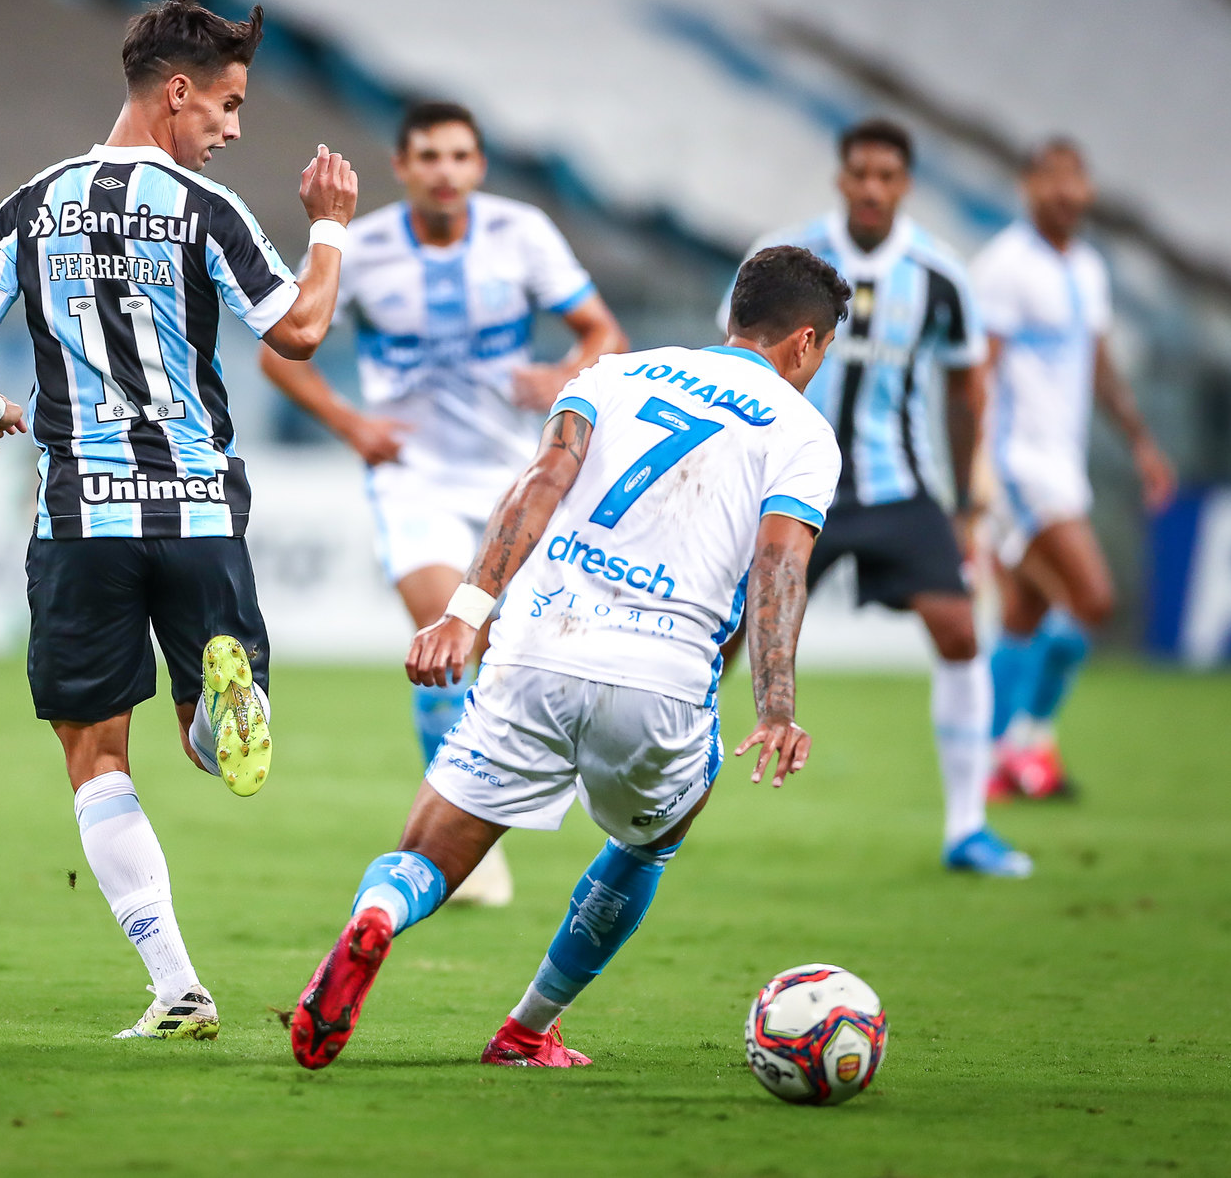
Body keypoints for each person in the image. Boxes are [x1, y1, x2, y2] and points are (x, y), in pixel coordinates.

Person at [288, 246, 847, 1070]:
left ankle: (375, 915)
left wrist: (466, 612)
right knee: (651, 839)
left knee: (424, 855)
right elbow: (778, 565)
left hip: (535, 648)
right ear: (805, 342)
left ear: (733, 314)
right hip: (659, 680)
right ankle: (525, 1028)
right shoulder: (803, 433)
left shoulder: (614, 373)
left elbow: (540, 481)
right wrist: (775, 706)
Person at [0, 0, 358, 1040]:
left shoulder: (30, 203)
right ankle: (225, 713)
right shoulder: (203, 211)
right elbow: (299, 331)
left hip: (82, 514)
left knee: (97, 759)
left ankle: (175, 986)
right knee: (200, 736)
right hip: (198, 506)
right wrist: (329, 230)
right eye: (225, 105)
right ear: (176, 93)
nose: (230, 127)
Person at [258, 101, 627, 907]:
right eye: (429, 155)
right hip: (414, 477)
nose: (445, 171)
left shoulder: (521, 233)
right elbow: (278, 347)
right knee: (444, 638)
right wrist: (352, 423)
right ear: (402, 165)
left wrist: (564, 373)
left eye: (460, 155)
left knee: (491, 652)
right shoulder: (367, 246)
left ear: (480, 166)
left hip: (514, 481)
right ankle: (467, 846)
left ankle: (472, 815)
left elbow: (604, 333)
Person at [722, 118, 1029, 878]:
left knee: (960, 631)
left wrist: (963, 505)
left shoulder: (939, 276)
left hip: (898, 486)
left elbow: (965, 390)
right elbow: (732, 369)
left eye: (885, 176)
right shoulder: (784, 258)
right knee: (724, 634)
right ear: (840, 176)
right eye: (858, 172)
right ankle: (659, 788)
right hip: (791, 480)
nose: (870, 188)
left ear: (905, 184)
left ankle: (967, 825)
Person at [973, 139, 1175, 799]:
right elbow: (980, 371)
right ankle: (1024, 745)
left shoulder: (1088, 266)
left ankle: (996, 758)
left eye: (1075, 179)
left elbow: (1098, 364)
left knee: (1026, 611)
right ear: (1029, 185)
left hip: (1063, 462)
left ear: (1088, 189)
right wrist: (976, 467)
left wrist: (1141, 442)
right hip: (1017, 464)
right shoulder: (1004, 265)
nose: (1065, 191)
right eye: (1051, 178)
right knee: (1092, 597)